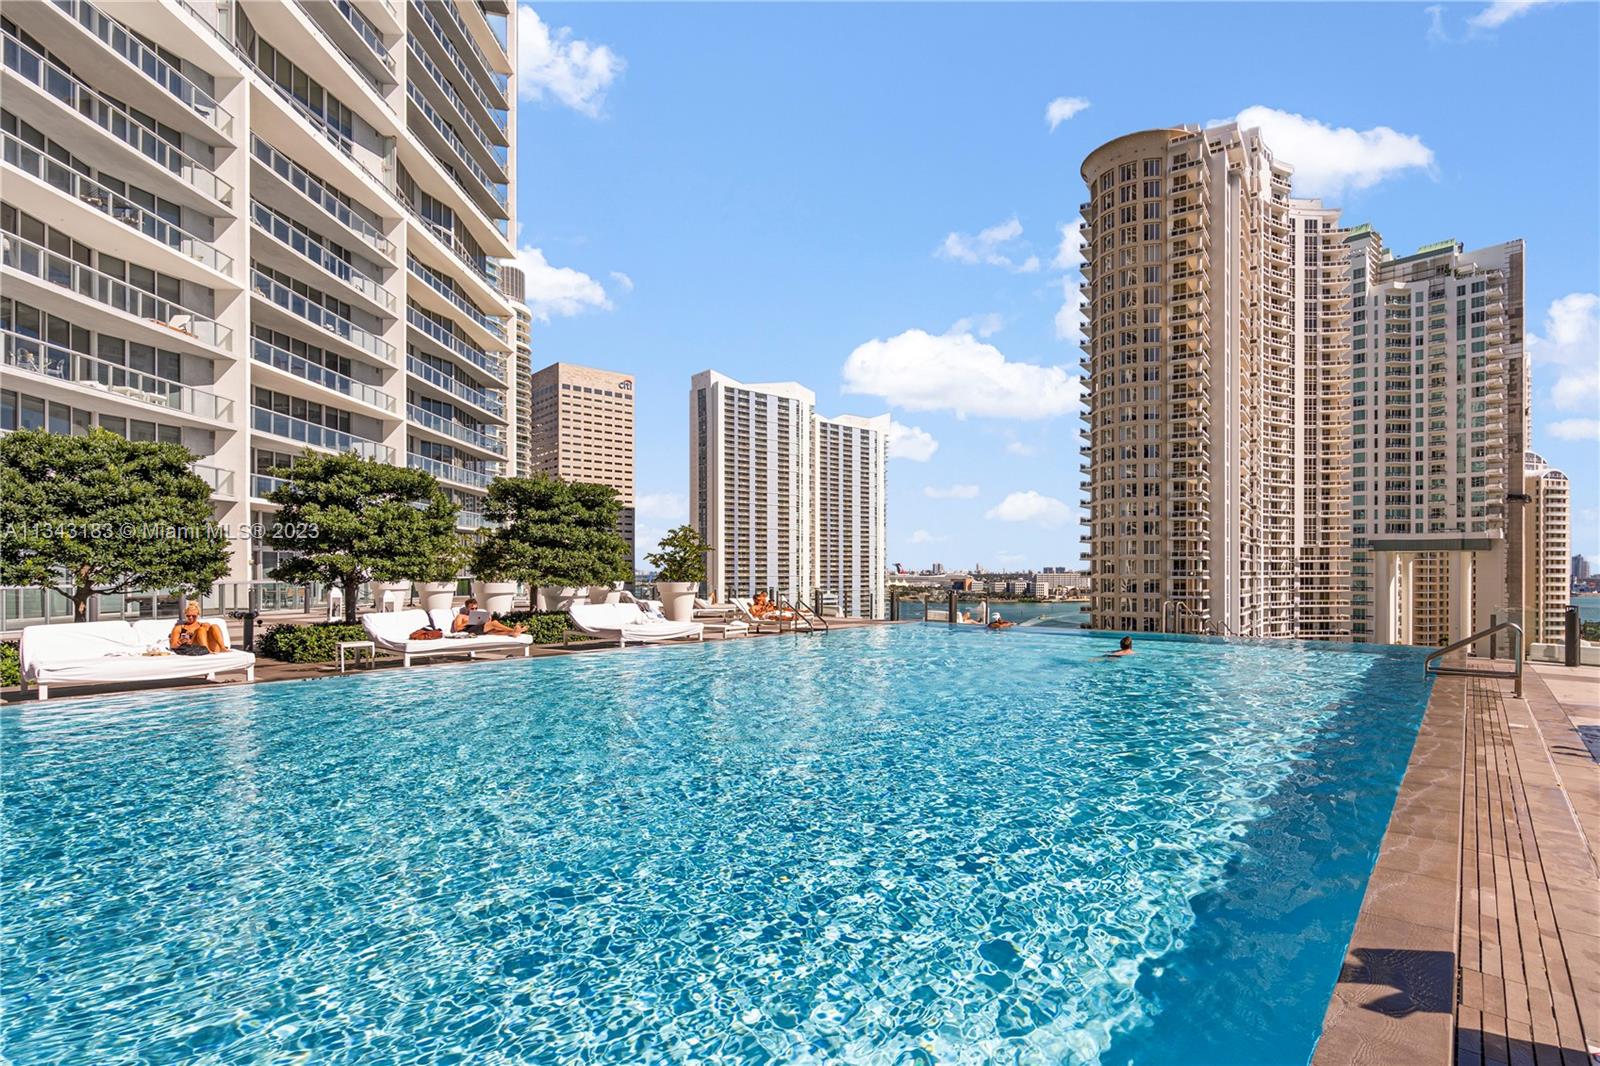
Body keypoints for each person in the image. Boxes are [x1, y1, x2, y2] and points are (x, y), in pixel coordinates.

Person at [452, 598, 527, 636]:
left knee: (494, 630)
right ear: (466, 608)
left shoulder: (478, 614)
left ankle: (512, 633)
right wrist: (469, 622)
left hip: (478, 628)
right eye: (472, 608)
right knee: (494, 623)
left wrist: (487, 620)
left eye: (476, 608)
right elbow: (457, 629)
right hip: (468, 630)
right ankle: (514, 630)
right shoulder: (461, 616)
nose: (474, 610)